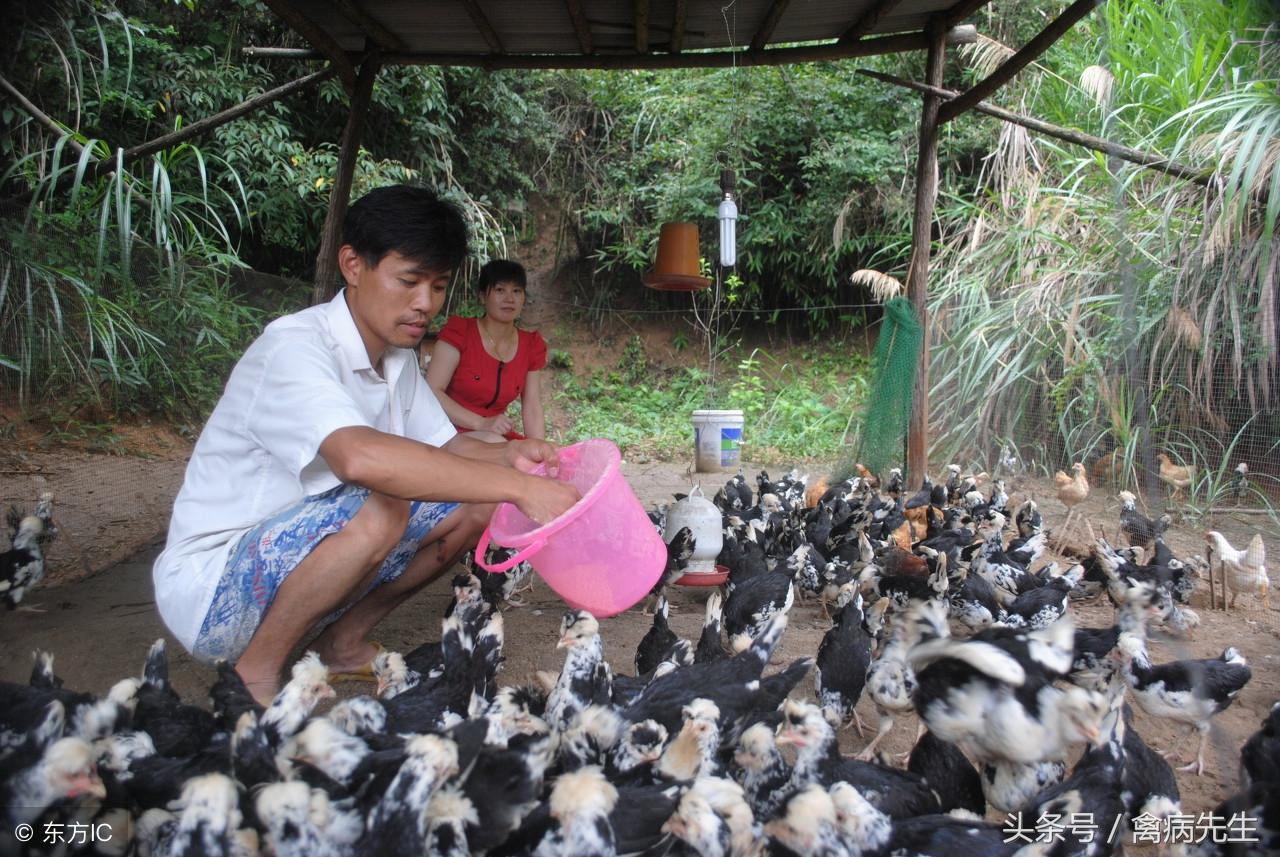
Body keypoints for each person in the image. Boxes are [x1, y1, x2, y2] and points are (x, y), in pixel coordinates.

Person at [151, 185, 579, 702]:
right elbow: (359, 457)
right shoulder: (294, 346)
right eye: (409, 281)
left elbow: (446, 450)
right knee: (380, 504)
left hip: (299, 562)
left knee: (477, 502)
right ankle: (254, 675)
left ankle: (342, 643)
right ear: (353, 265)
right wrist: (518, 488)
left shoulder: (397, 361)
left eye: (439, 286)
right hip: (214, 588)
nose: (426, 304)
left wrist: (511, 456)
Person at [426, 259, 547, 441]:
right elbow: (432, 391)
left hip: (494, 435)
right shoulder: (460, 332)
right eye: (500, 290)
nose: (509, 298)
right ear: (482, 296)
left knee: (541, 459)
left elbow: (532, 406)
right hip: (445, 429)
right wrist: (480, 423)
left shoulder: (531, 346)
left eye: (516, 291)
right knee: (499, 445)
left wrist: (538, 449)